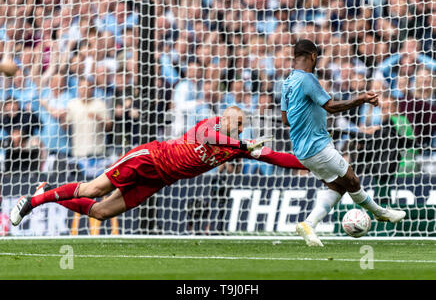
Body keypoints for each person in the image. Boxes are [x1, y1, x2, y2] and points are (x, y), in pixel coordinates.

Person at [10, 106, 307, 226]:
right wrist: (242, 146)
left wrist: (307, 163)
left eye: (243, 127)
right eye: (239, 124)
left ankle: (48, 191)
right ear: (227, 119)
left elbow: (273, 156)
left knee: (100, 212)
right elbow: (210, 137)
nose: (241, 130)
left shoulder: (234, 148)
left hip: (157, 181)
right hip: (147, 159)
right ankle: (33, 202)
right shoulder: (211, 126)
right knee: (93, 187)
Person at [280, 39, 406, 247]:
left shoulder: (288, 83)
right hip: (317, 145)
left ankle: (309, 224)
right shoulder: (307, 79)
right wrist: (362, 98)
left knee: (337, 187)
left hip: (302, 150)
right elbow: (331, 106)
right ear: (313, 56)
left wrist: (307, 114)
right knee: (353, 181)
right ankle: (381, 213)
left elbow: (285, 120)